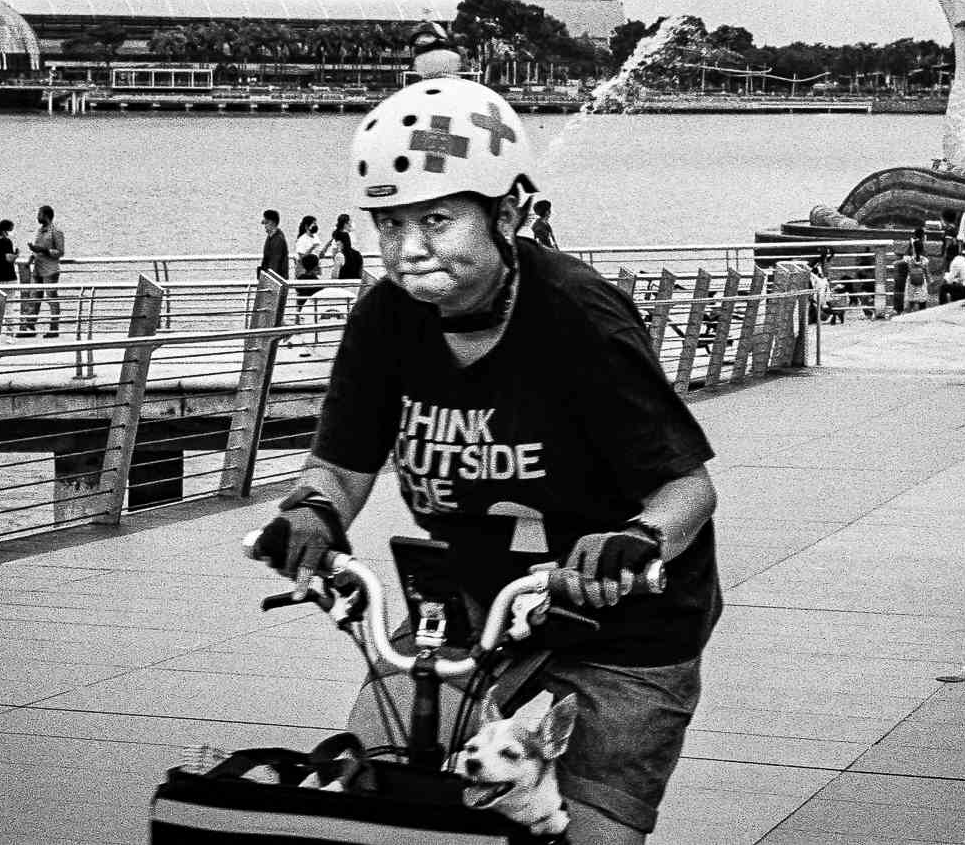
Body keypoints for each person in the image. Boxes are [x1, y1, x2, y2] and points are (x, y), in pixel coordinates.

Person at [249, 77, 720, 845]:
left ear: (507, 214)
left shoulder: (580, 319)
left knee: (590, 832)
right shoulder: (386, 318)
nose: (409, 249)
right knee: (378, 776)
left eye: (437, 219)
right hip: (469, 598)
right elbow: (339, 462)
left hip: (624, 615)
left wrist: (635, 541)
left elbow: (686, 489)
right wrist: (313, 510)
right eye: (389, 224)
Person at [26, 204, 64, 337]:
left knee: (51, 298)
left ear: (46, 216)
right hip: (37, 269)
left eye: (39, 214)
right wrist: (31, 257)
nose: (37, 217)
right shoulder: (39, 231)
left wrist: (44, 250)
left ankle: (54, 328)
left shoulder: (56, 231)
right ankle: (30, 327)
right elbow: (38, 248)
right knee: (34, 297)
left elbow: (60, 252)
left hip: (50, 270)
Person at [258, 209, 289, 281]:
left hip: (275, 280)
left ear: (273, 223)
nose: (265, 226)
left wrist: (269, 280)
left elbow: (275, 262)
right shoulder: (271, 237)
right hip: (271, 277)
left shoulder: (278, 239)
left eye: (266, 223)